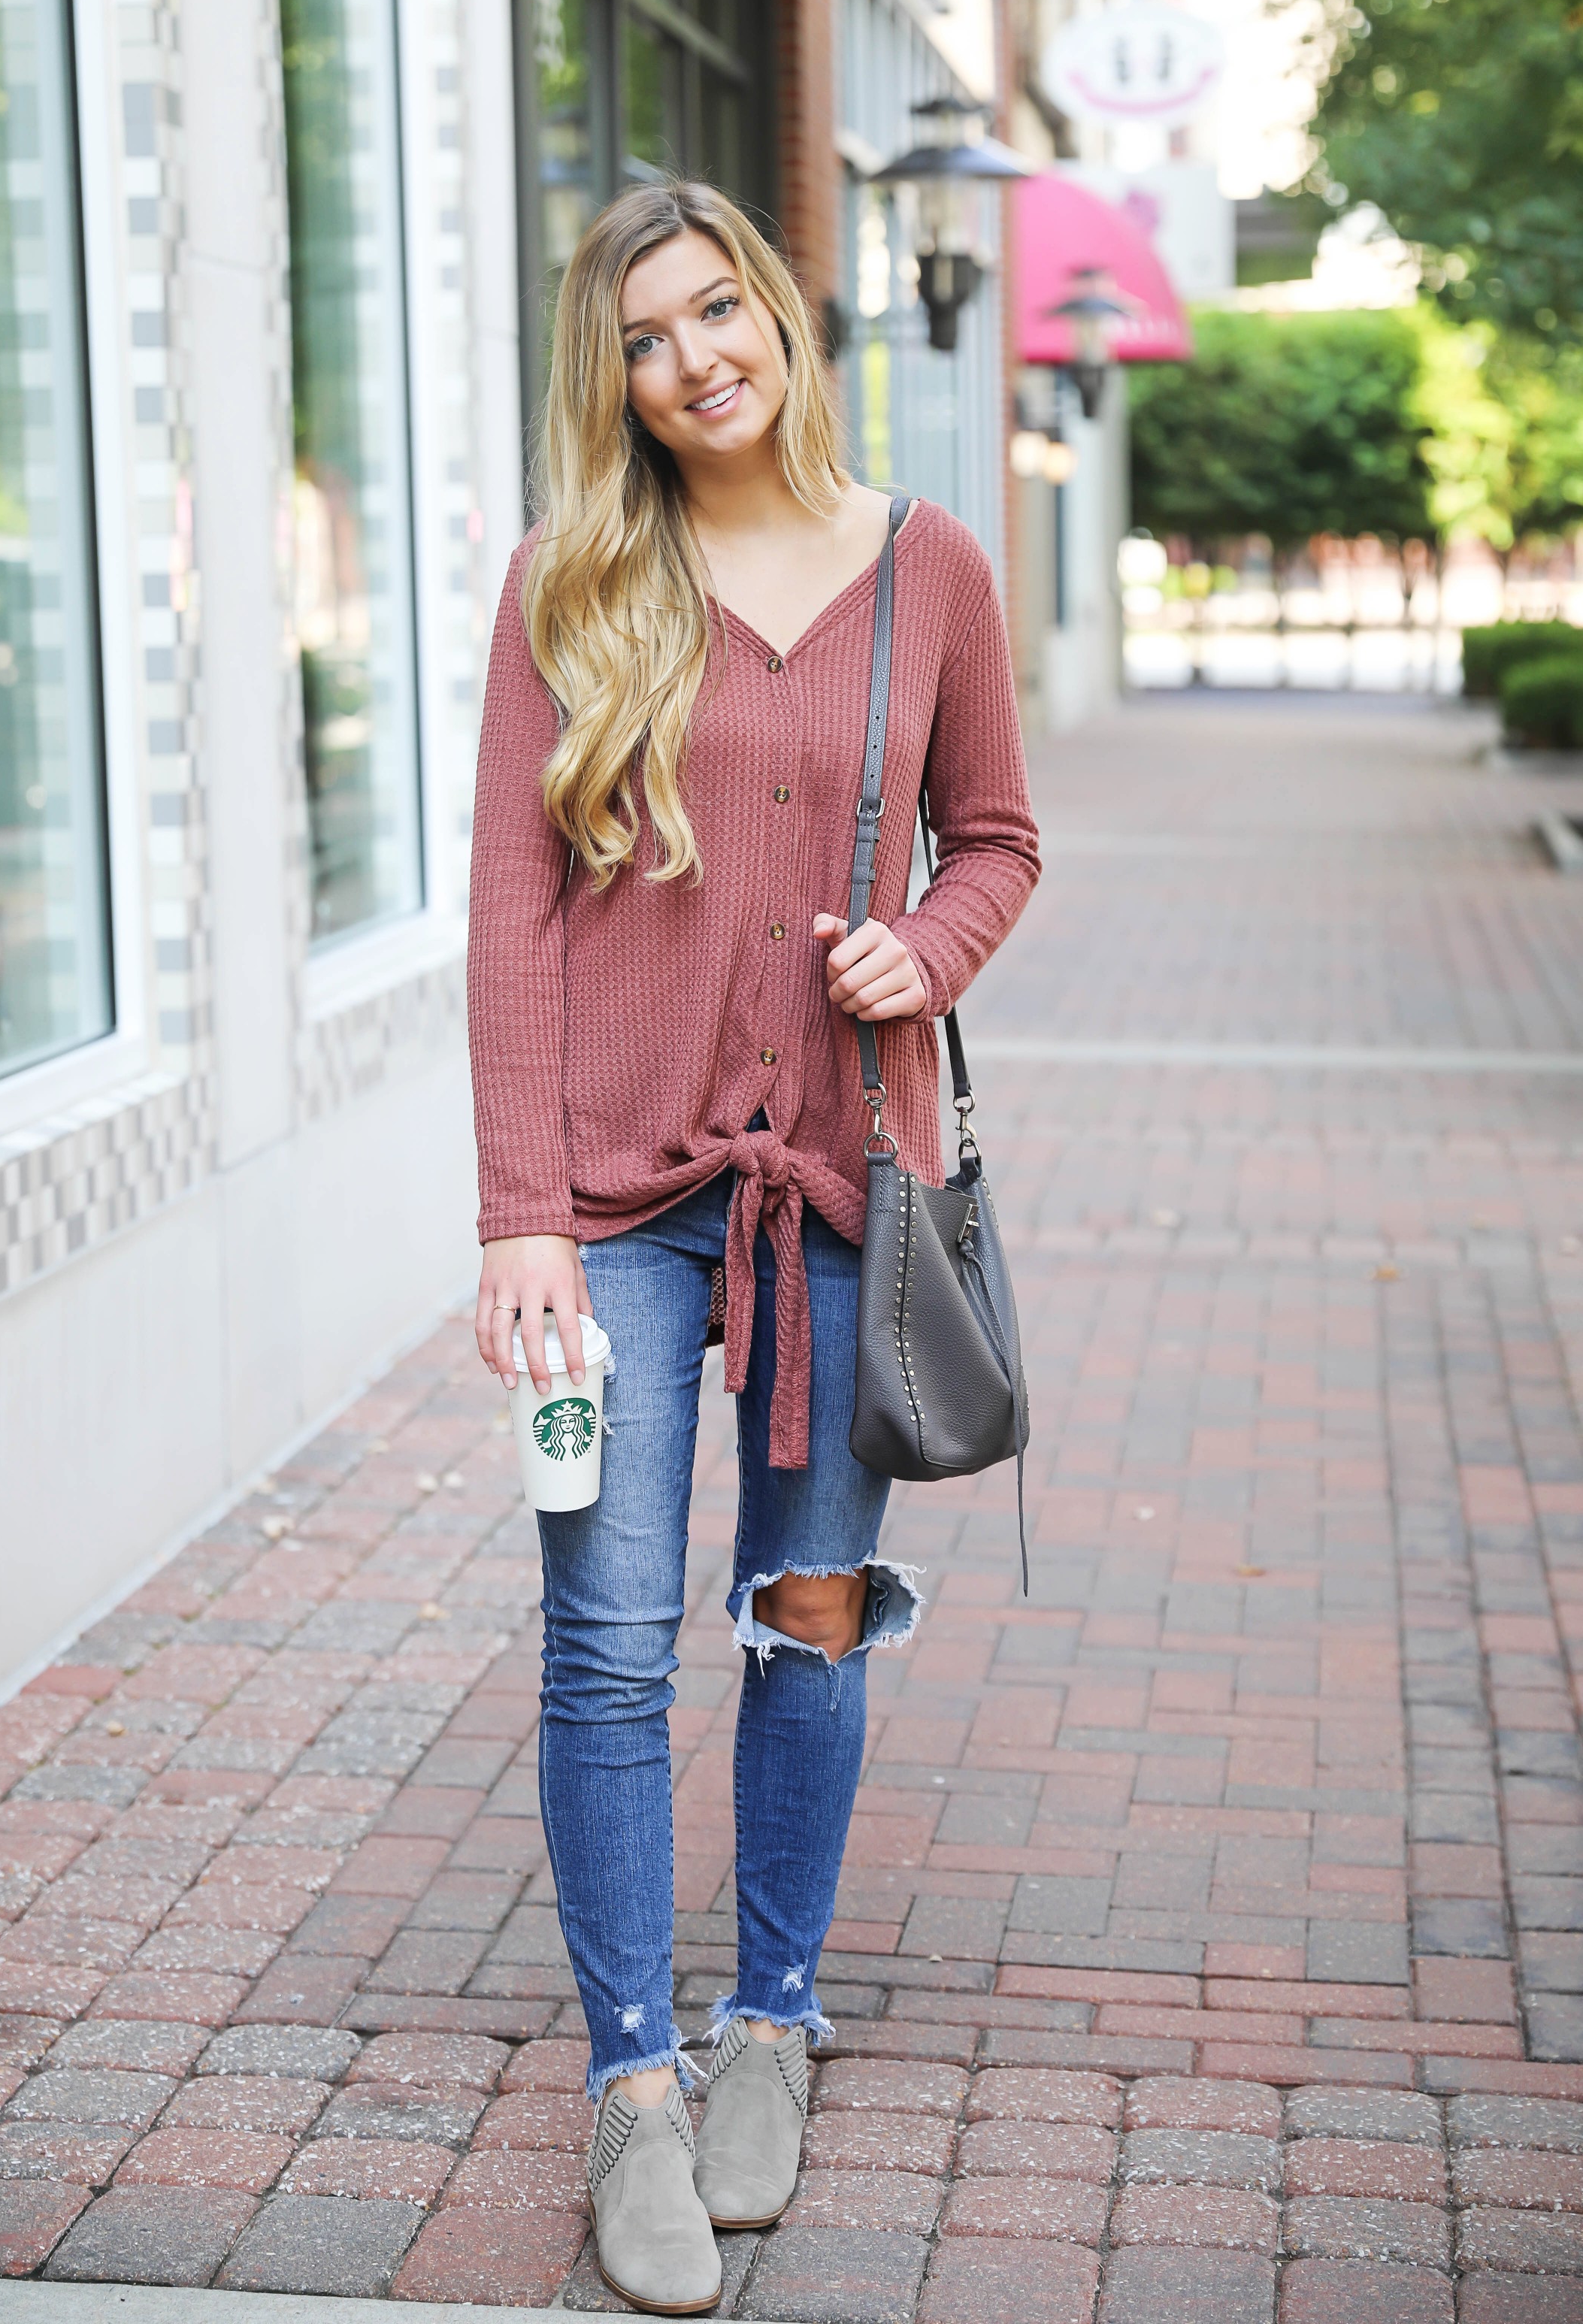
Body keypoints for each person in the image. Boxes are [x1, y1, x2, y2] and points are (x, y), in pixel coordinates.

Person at [468, 179, 1038, 2314]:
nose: (696, 357)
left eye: (721, 311)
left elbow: (1000, 832)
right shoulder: (570, 586)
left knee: (806, 1615)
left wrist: (931, 944)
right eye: (646, 335)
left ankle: (773, 2024)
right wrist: (520, 1207)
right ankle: (635, 2083)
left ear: (784, 319)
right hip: (619, 1195)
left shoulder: (930, 570)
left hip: (845, 1185)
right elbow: (512, 917)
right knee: (609, 1642)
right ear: (609, 377)